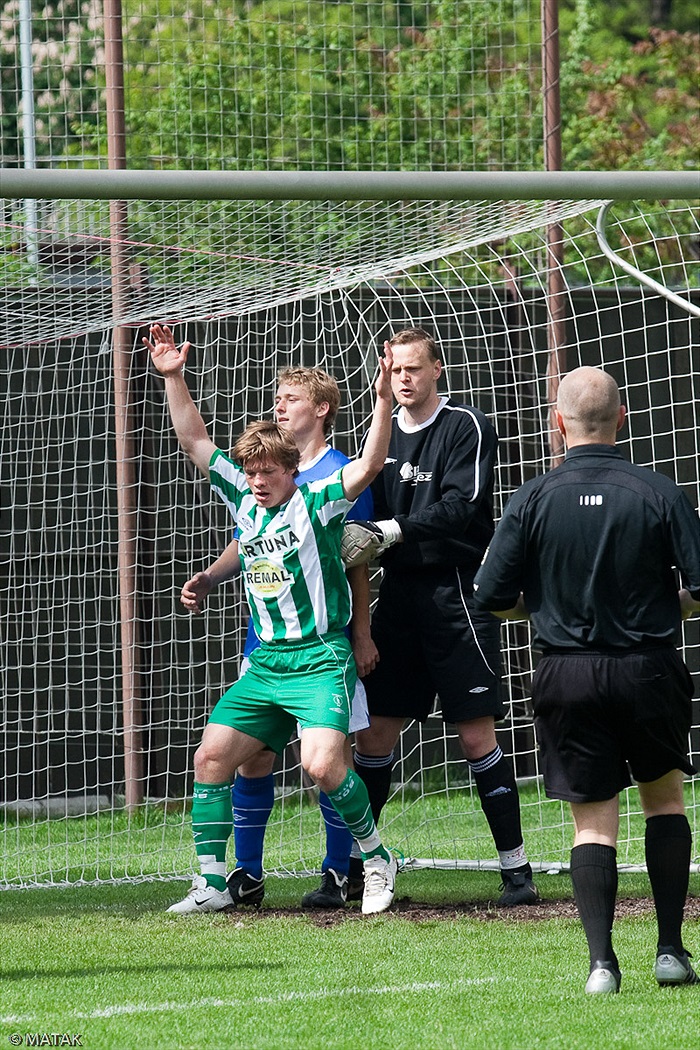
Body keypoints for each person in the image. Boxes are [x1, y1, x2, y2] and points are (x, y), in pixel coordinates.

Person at [144, 323, 398, 916]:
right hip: (266, 664)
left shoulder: (319, 500)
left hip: (320, 658)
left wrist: (383, 399)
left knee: (323, 765)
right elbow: (195, 440)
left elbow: (370, 463)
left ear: (291, 471)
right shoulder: (242, 498)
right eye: (250, 472)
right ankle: (214, 882)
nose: (257, 482)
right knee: (211, 759)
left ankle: (377, 859)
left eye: (268, 473)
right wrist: (174, 376)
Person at [473, 365, 700, 993]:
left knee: (593, 823)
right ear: (622, 419)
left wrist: (541, 609)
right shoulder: (658, 491)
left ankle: (602, 965)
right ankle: (670, 951)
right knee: (664, 801)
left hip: (566, 674)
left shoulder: (532, 498)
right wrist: (673, 607)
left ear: (558, 422)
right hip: (648, 669)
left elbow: (490, 596)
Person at [347, 326, 538, 906]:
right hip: (398, 596)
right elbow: (358, 508)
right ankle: (360, 868)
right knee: (374, 733)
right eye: (394, 369)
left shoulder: (466, 425)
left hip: (458, 594)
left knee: (475, 734)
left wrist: (389, 530)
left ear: (437, 369)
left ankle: (517, 872)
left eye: (413, 368)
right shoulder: (378, 433)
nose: (403, 378)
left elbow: (462, 506)